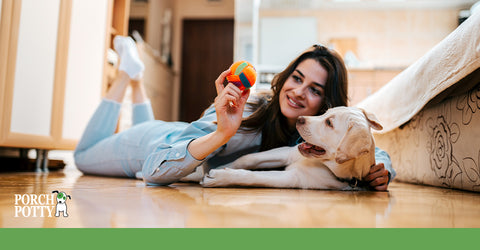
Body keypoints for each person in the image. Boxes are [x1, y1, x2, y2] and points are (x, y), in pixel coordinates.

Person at [74, 36, 395, 191]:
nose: (298, 91)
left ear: (327, 106)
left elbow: (371, 148)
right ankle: (125, 77)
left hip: (166, 132)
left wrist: (383, 171)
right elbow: (154, 168)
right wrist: (222, 133)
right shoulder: (249, 108)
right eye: (297, 78)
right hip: (149, 147)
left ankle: (137, 79)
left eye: (314, 89)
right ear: (285, 78)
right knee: (83, 156)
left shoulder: (313, 135)